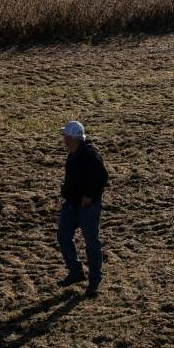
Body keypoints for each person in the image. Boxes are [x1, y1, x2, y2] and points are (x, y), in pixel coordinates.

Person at [57, 119, 108, 297]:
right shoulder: (74, 152)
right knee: (63, 235)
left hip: (87, 206)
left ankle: (94, 281)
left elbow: (102, 177)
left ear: (75, 138)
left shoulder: (90, 155)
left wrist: (90, 196)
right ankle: (76, 271)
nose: (64, 140)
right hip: (72, 203)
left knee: (91, 243)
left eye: (67, 137)